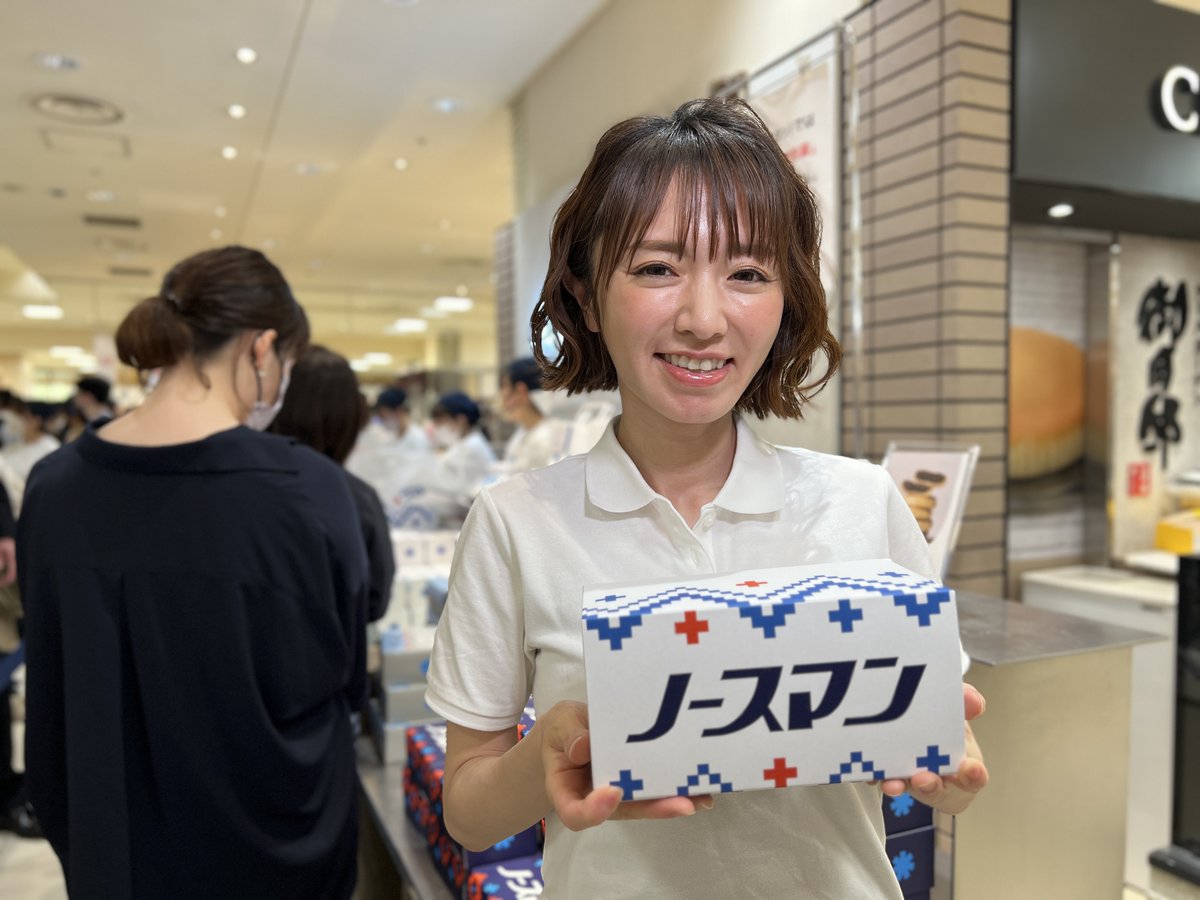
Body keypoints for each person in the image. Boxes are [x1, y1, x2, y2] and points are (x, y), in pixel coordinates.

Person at [425, 98, 988, 898]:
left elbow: (953, 774)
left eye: (748, 274)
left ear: (787, 298)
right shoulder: (517, 522)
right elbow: (467, 813)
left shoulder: (862, 502)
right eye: (657, 268)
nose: (703, 319)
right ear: (585, 295)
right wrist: (543, 758)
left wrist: (948, 771)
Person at [17, 246, 367, 900]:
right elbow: (339, 669)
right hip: (272, 849)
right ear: (262, 348)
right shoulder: (306, 490)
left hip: (110, 850)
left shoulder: (53, 486)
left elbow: (53, 673)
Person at [269, 344, 395, 626]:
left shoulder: (246, 484)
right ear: (351, 417)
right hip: (332, 649)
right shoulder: (354, 498)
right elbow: (375, 600)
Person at [424, 391, 496, 526]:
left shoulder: (472, 447)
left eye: (442, 422)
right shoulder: (463, 444)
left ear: (461, 420)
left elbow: (463, 491)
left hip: (465, 519)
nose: (439, 428)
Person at [496, 356, 569, 475]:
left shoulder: (545, 438)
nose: (502, 398)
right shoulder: (522, 433)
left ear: (521, 391)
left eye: (504, 387)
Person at [1, 399, 60, 483]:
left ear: (36, 421)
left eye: (25, 417)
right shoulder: (18, 440)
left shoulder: (50, 447)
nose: (21, 420)